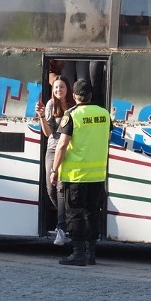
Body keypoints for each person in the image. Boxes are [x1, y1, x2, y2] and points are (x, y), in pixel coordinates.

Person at [49, 79, 111, 266]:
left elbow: (62, 145)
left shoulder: (72, 115)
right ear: (91, 95)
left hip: (76, 174)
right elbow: (107, 136)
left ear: (74, 96)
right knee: (92, 213)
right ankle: (91, 253)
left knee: (75, 214)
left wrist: (54, 170)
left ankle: (78, 253)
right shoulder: (104, 114)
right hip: (98, 175)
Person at [37, 75, 76, 246]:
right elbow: (47, 133)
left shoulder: (74, 108)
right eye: (55, 87)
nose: (58, 90)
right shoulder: (51, 105)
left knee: (60, 187)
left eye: (61, 87)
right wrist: (41, 117)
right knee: (50, 188)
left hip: (69, 149)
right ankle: (69, 217)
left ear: (68, 89)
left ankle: (61, 229)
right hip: (53, 148)